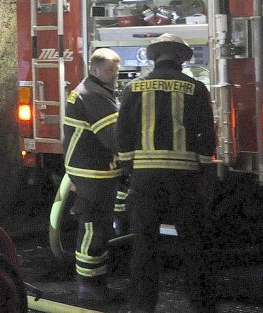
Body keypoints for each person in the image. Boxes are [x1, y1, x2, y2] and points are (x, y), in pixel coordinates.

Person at [116, 33, 216, 313]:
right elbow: (206, 133)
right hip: (184, 179)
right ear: (181, 59)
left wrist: (128, 168)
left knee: (145, 245)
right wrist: (204, 169)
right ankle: (202, 305)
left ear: (155, 57)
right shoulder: (195, 88)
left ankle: (142, 306)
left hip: (145, 179)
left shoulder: (134, 88)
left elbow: (123, 132)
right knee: (193, 244)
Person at [62, 48, 122, 306]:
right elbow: (113, 137)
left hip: (94, 171)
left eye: (117, 69)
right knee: (93, 230)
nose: (116, 74)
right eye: (111, 70)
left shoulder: (95, 90)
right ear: (94, 69)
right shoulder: (93, 95)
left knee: (98, 228)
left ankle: (97, 286)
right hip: (93, 173)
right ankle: (89, 290)